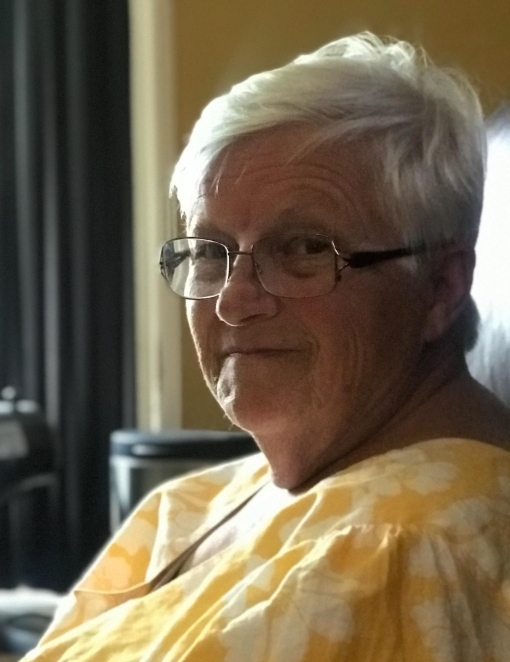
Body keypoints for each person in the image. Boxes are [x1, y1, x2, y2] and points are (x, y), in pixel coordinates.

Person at [23, 32, 510, 662]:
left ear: (441, 286)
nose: (232, 302)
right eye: (210, 251)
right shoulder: (216, 495)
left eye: (304, 248)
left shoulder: (395, 555)